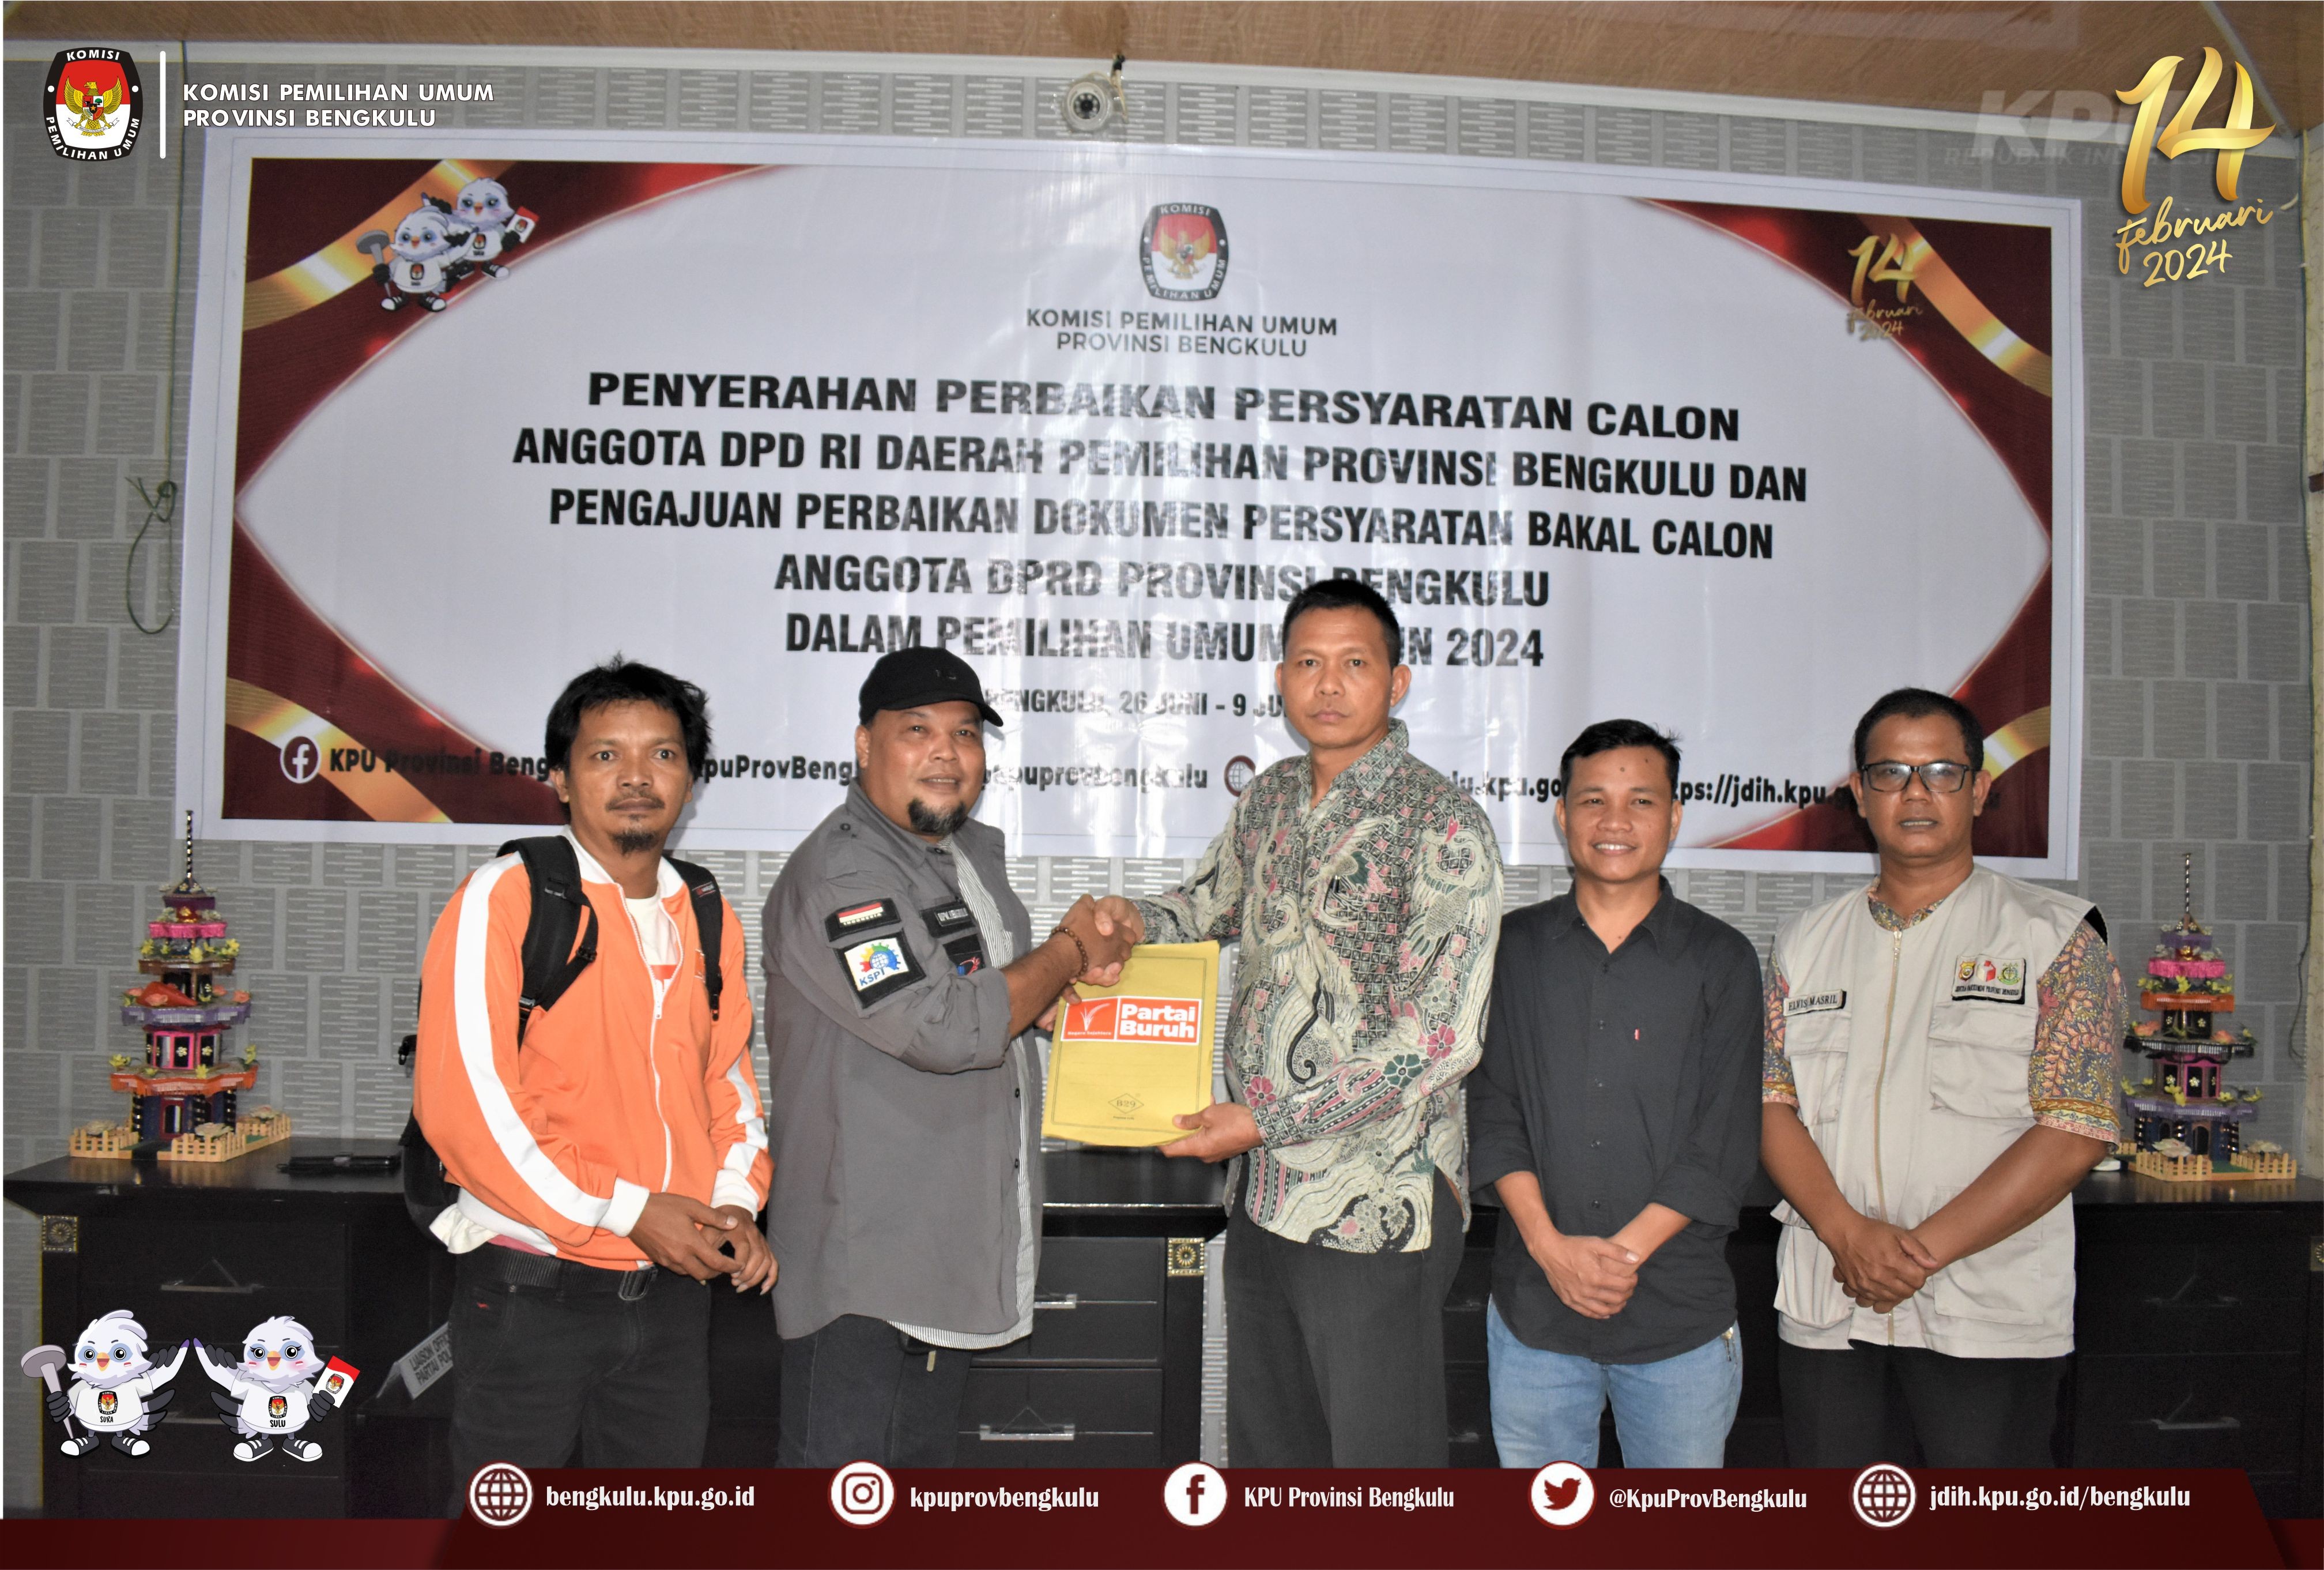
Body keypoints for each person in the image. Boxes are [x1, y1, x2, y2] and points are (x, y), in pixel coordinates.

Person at [1092, 577, 1503, 1466]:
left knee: (1378, 1474)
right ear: (1281, 679)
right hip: (1265, 1194)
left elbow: (1440, 1041)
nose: (1329, 685)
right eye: (1309, 663)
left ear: (1396, 682)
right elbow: (1201, 907)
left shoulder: (1442, 826)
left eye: (1355, 663)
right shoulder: (1273, 798)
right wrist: (1123, 926)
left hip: (1377, 1200)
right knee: (1274, 1459)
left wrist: (1265, 1120)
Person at [763, 646, 1133, 1468]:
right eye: (917, 730)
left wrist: (1054, 994)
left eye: (965, 734)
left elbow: (984, 997)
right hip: (867, 1271)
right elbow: (944, 1029)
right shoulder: (845, 876)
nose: (947, 753)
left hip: (941, 1248)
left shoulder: (959, 858)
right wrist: (1068, 952)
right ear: (865, 744)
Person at [414, 657, 773, 1487]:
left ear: (691, 780)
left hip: (673, 1299)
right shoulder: (506, 898)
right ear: (561, 780)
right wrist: (628, 1209)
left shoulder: (706, 911)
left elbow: (727, 1086)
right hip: (530, 1295)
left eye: (663, 754)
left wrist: (732, 1206)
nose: (637, 777)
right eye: (606, 755)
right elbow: (469, 1108)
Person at [1760, 687, 2124, 1467]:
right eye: (1891, 773)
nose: (1917, 793)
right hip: (1831, 1303)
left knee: (1983, 1527)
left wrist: (1913, 1256)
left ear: (1980, 789)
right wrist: (1850, 1237)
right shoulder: (1803, 944)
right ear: (1859, 793)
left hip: (1987, 1314)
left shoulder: (2056, 937)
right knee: (1834, 1525)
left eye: (1941, 773)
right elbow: (1771, 1106)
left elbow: (2076, 1128)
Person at [1467, 720, 1762, 1469]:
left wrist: (1613, 1261)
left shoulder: (1721, 959)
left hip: (1676, 1318)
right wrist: (1552, 1251)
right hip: (1536, 1312)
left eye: (1641, 801)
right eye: (1593, 800)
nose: (1615, 821)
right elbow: (1493, 1112)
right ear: (1562, 814)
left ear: (1675, 816)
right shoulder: (1511, 950)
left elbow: (1724, 1144)